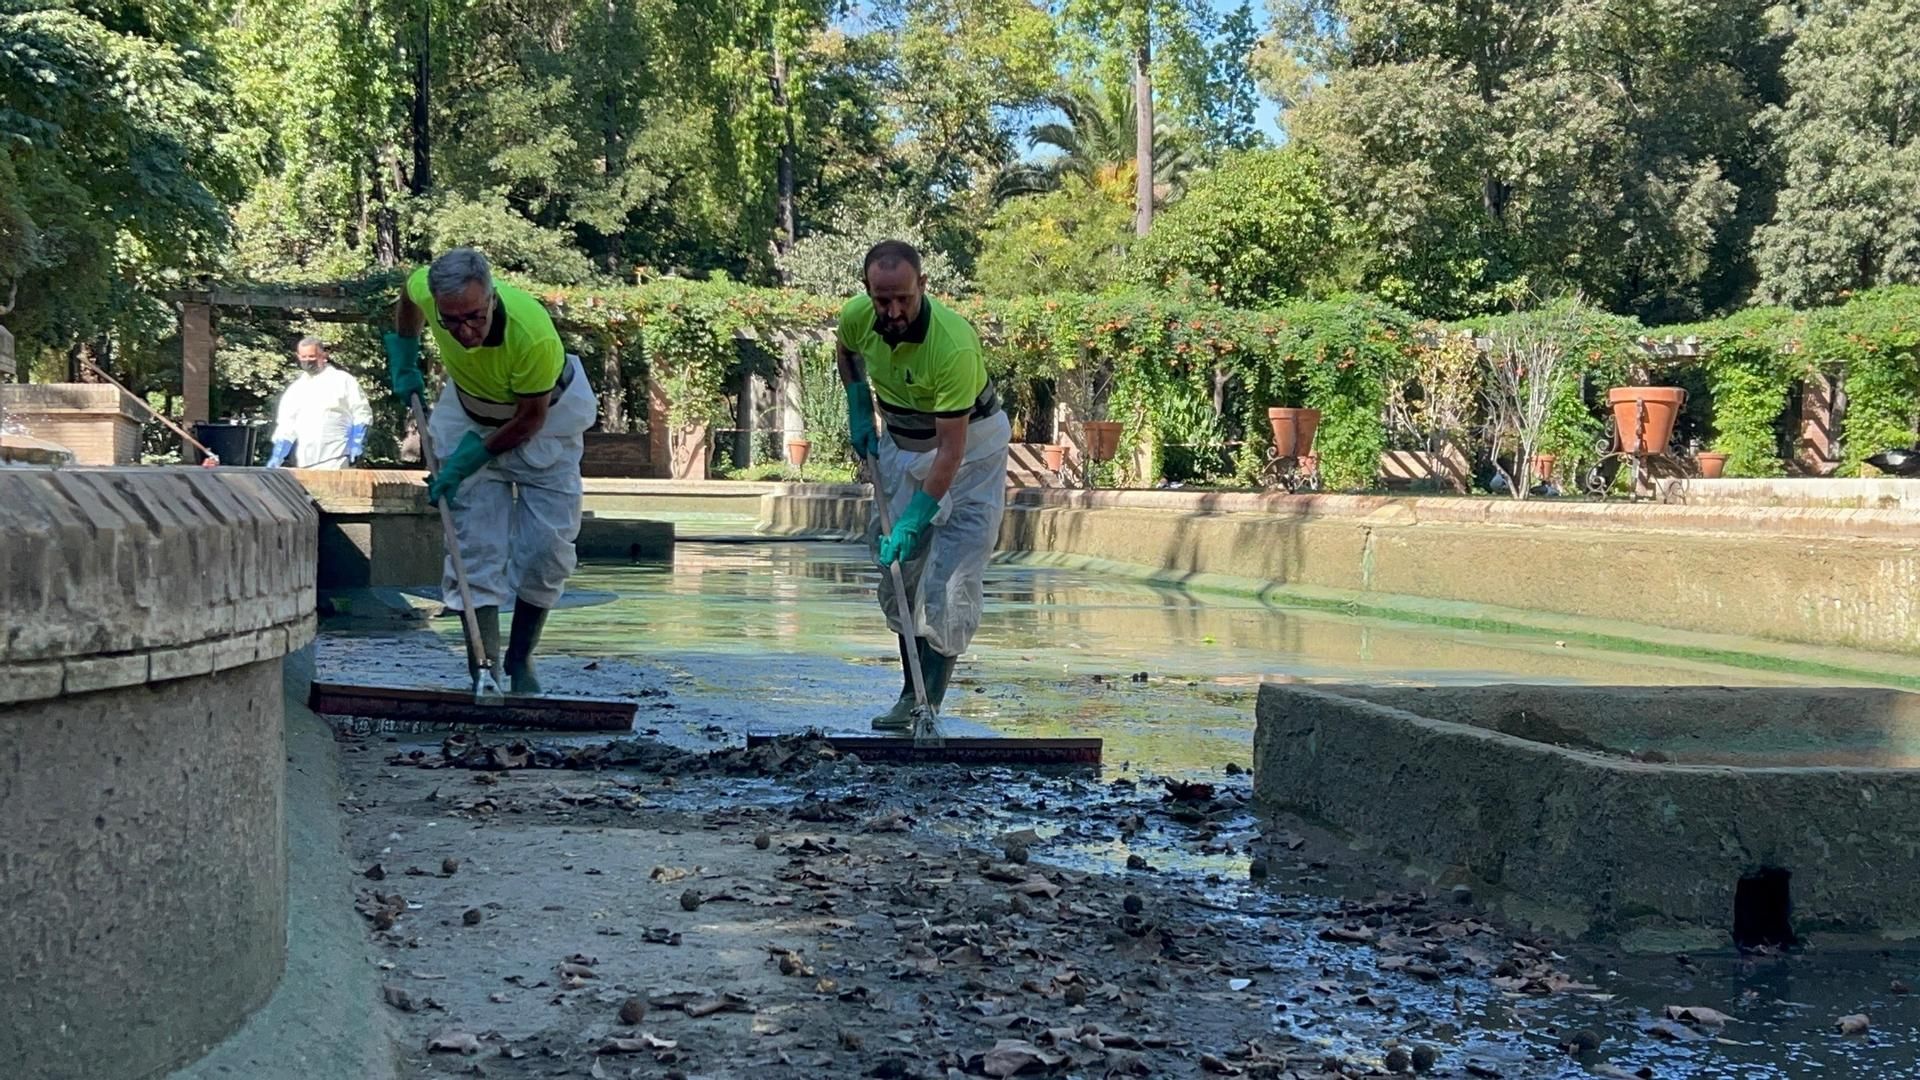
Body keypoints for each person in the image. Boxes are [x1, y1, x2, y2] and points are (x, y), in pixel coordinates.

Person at [383, 248, 598, 694]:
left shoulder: (530, 334)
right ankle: (484, 669)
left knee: (546, 549)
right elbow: (408, 293)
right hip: (469, 409)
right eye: (451, 321)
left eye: (474, 317)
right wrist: (404, 352)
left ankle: (521, 661)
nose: (464, 331)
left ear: (492, 298)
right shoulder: (431, 290)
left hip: (545, 419)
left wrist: (469, 459)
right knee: (472, 546)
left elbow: (528, 421)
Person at [836, 240, 1011, 730]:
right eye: (881, 299)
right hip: (900, 443)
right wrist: (857, 402)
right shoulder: (857, 316)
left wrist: (916, 518)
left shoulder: (951, 344)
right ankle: (908, 696)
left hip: (971, 452)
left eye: (904, 299)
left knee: (951, 575)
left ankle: (927, 706)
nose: (893, 311)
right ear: (867, 291)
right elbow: (847, 350)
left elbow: (950, 452)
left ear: (923, 287)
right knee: (900, 572)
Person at [266, 337, 371, 469]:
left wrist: (356, 442)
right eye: (304, 357)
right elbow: (287, 425)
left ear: (323, 355)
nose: (308, 361)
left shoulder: (343, 380)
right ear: (298, 356)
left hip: (338, 453)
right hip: (306, 458)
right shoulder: (296, 389)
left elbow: (361, 412)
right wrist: (278, 455)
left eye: (312, 356)